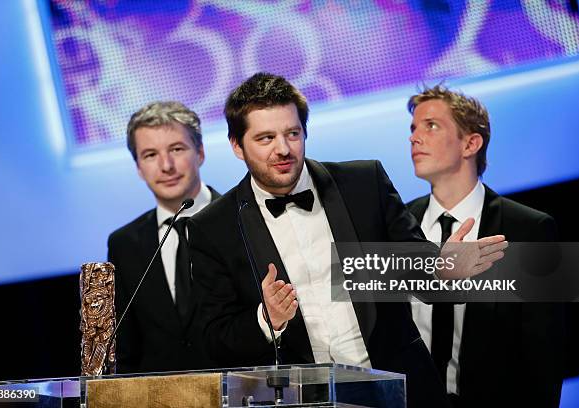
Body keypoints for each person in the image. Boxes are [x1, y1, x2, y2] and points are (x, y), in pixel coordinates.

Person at [188, 73, 505, 408]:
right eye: (265, 138)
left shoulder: (363, 183)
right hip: (299, 401)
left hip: (397, 390)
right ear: (237, 145)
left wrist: (442, 269)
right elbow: (213, 341)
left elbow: (417, 270)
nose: (283, 149)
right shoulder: (213, 227)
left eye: (292, 134)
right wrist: (267, 319)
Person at [406, 85, 564, 408]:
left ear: (471, 143)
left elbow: (543, 357)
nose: (414, 137)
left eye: (430, 125)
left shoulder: (528, 230)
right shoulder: (398, 224)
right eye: (413, 128)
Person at [107, 101, 219, 373]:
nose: (166, 165)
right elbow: (125, 346)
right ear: (138, 167)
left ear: (200, 153)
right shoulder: (124, 244)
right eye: (150, 155)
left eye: (177, 149)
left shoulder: (241, 218)